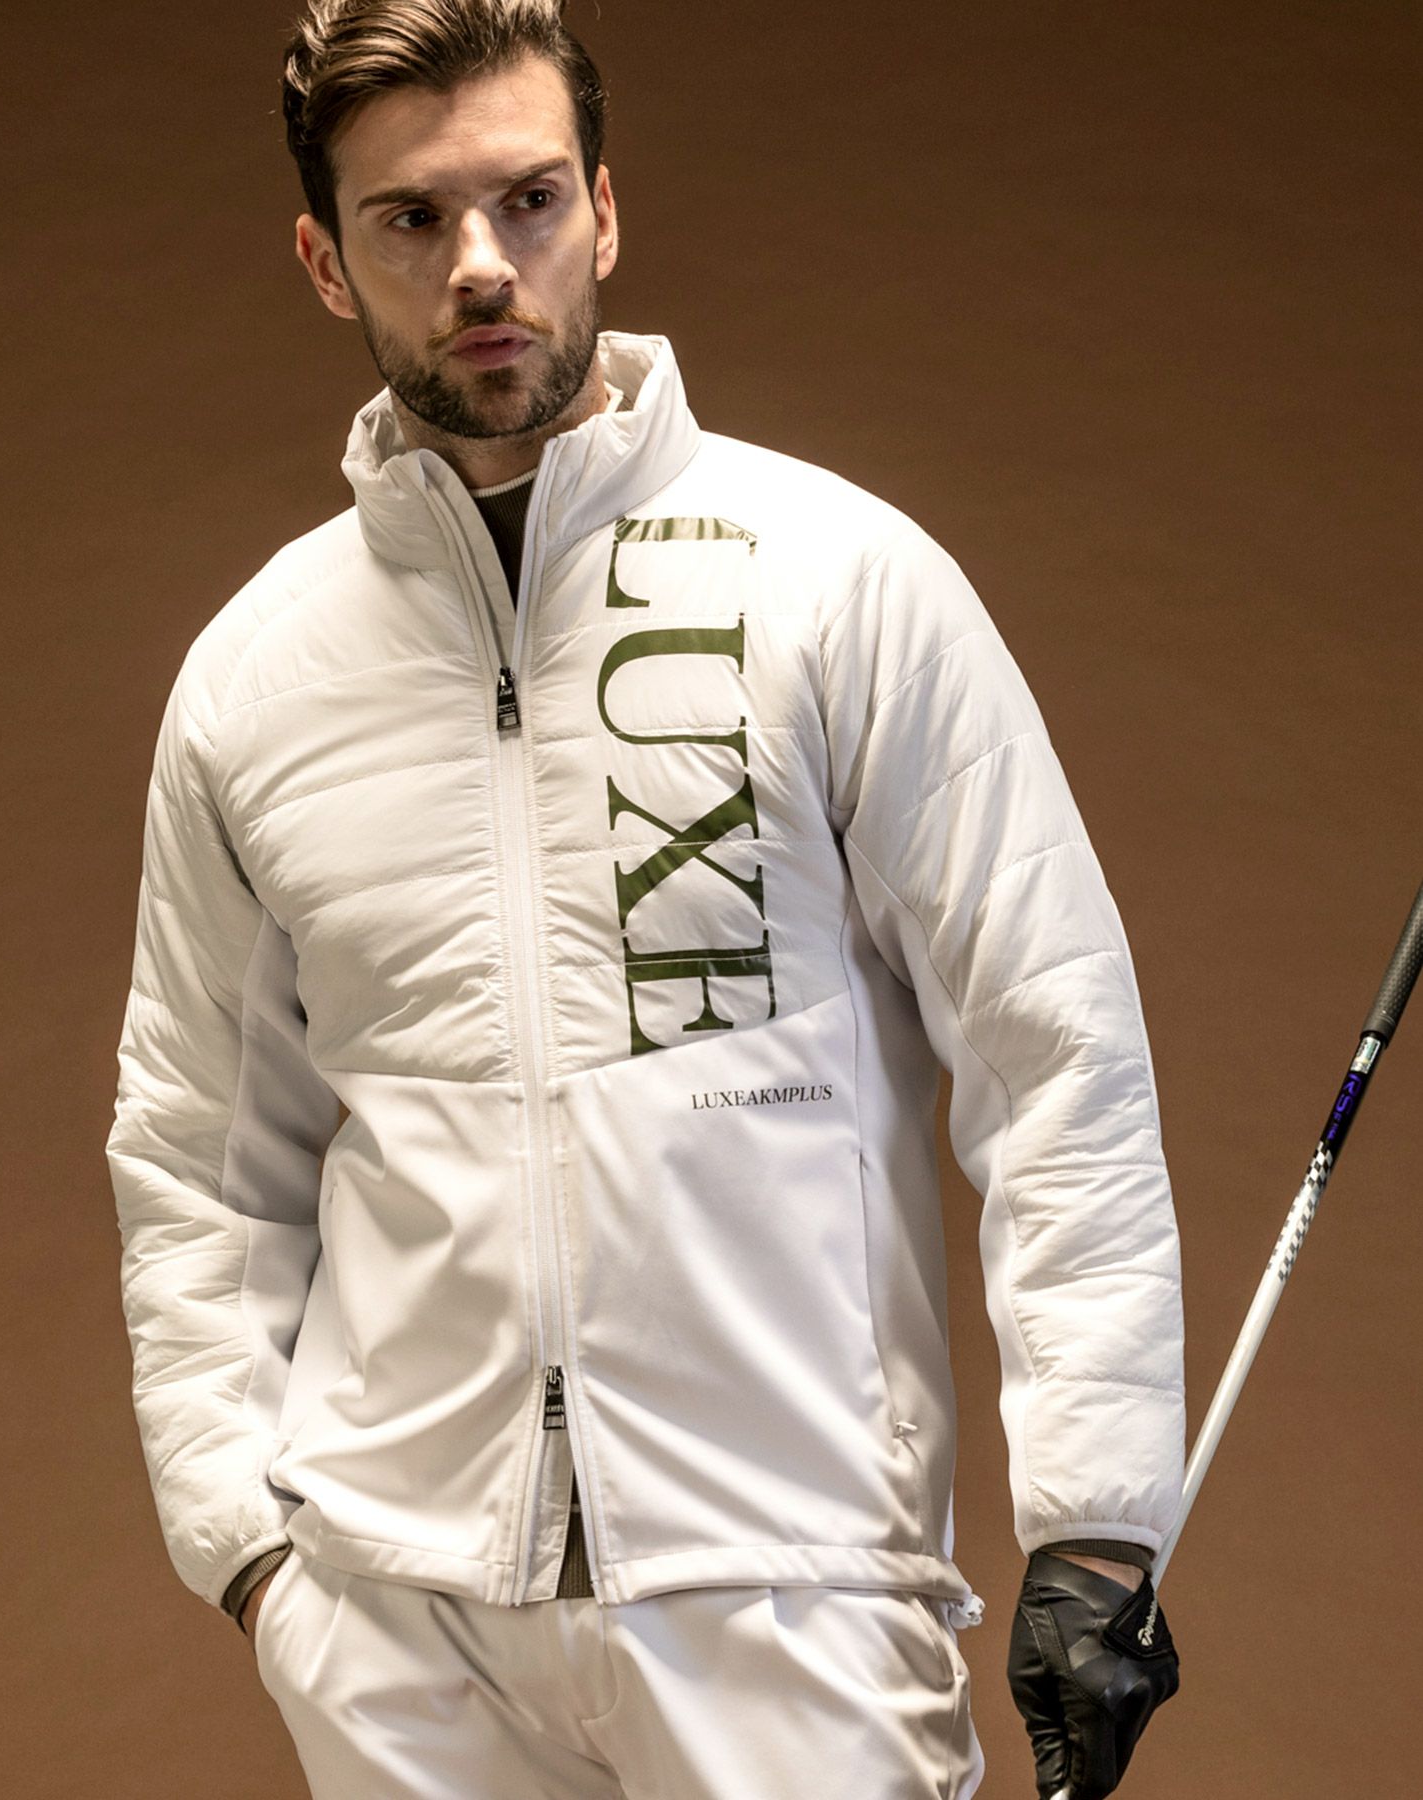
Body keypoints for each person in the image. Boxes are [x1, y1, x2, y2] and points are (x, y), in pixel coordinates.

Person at [106, 3, 1185, 1795]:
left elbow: (1053, 1049)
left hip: (793, 1592)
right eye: (410, 218)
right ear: (323, 260)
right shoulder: (253, 680)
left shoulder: (839, 583)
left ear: (603, 211)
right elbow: (197, 1156)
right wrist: (255, 1556)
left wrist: (1096, 1523)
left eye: (528, 199)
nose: (480, 263)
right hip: (399, 1637)